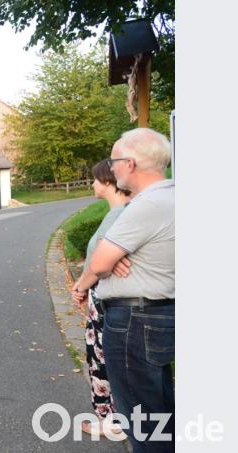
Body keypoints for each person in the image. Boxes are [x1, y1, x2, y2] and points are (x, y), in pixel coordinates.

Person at [73, 128, 175, 452]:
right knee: (160, 412)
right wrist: (117, 254)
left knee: (142, 421)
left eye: (115, 161)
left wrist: (103, 263)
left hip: (134, 321)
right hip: (158, 314)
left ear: (129, 164)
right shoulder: (174, 196)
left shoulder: (146, 205)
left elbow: (100, 262)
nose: (112, 168)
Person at [70, 159, 131, 440]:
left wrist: (80, 287)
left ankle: (112, 421)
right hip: (102, 296)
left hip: (106, 299)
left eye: (95, 179)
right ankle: (113, 418)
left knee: (104, 358)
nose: (92, 184)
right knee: (103, 356)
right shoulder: (117, 213)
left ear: (108, 181)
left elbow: (99, 261)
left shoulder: (120, 214)